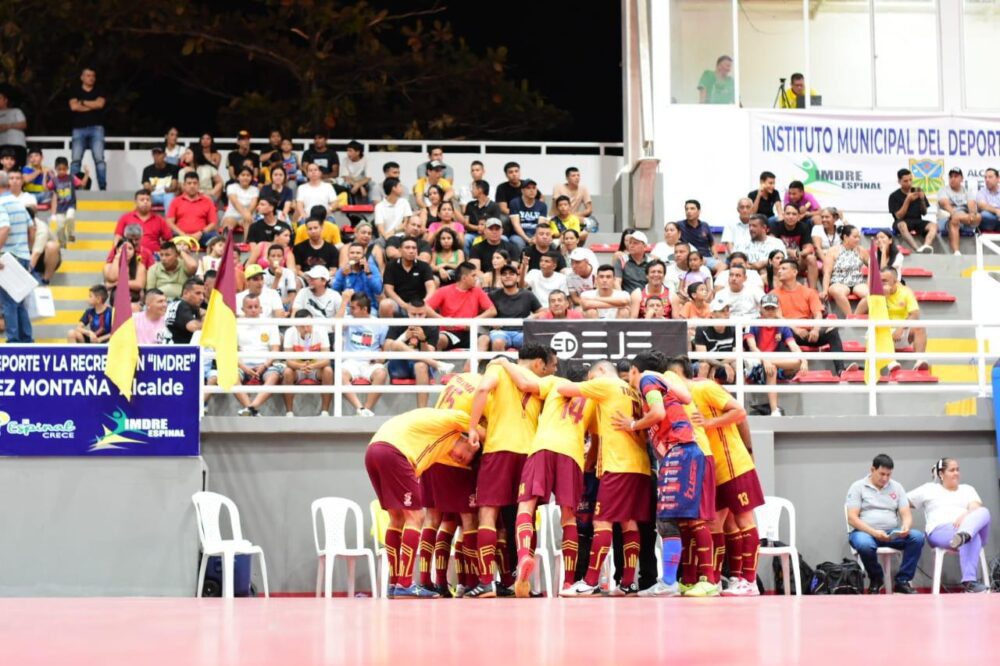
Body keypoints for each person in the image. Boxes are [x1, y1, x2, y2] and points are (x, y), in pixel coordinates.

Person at [465, 344, 557, 598]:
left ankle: (485, 582)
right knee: (523, 517)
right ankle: (520, 581)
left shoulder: (499, 366)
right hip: (530, 454)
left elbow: (483, 388)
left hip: (499, 449)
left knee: (488, 515)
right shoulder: (543, 383)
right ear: (539, 364)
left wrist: (473, 427)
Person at [364, 407, 479, 598]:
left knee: (397, 519)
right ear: (469, 441)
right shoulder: (452, 422)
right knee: (417, 517)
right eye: (466, 457)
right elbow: (482, 430)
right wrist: (479, 435)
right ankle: (405, 583)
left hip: (374, 450)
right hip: (394, 451)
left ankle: (395, 584)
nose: (460, 460)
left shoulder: (440, 448)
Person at [509, 365, 597, 596]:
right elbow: (597, 438)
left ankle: (523, 559)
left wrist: (503, 363)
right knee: (569, 518)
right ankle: (568, 583)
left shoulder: (554, 382)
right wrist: (589, 463)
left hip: (542, 447)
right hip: (572, 454)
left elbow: (525, 384)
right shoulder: (593, 397)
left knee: (526, 507)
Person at [909, 458, 991, 593]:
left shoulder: (967, 489)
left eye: (958, 469)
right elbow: (903, 502)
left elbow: (975, 507)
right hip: (940, 531)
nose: (956, 473)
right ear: (941, 474)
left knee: (983, 512)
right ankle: (970, 583)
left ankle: (964, 534)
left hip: (967, 526)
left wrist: (965, 516)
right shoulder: (929, 489)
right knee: (972, 537)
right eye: (952, 470)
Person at [845, 453, 924, 595]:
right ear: (872, 470)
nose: (885, 478)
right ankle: (876, 578)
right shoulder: (858, 487)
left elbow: (906, 514)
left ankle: (902, 581)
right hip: (865, 533)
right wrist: (874, 532)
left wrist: (906, 526)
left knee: (917, 537)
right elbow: (852, 518)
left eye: (889, 475)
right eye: (882, 474)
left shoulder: (897, 487)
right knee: (864, 544)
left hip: (891, 533)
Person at [773, 259, 851, 375]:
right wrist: (797, 329)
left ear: (794, 272)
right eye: (779, 269)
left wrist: (815, 329)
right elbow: (778, 316)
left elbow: (818, 314)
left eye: (784, 269)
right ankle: (788, 372)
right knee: (780, 332)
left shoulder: (809, 292)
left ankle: (841, 370)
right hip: (791, 333)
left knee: (832, 330)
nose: (779, 271)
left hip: (809, 334)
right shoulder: (773, 294)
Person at [743, 293, 806, 416]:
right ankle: (774, 410)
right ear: (760, 308)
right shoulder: (752, 323)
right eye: (767, 308)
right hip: (755, 362)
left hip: (771, 361)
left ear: (777, 309)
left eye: (773, 308)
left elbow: (793, 346)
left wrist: (804, 360)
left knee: (797, 362)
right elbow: (753, 347)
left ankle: (772, 363)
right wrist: (765, 360)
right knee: (772, 369)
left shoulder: (782, 326)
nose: (770, 311)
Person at [384, 302, 453, 408]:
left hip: (419, 366)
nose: (417, 318)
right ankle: (437, 364)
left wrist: (423, 340)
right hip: (399, 365)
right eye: (413, 314)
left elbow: (430, 354)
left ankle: (422, 410)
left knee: (421, 365)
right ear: (408, 312)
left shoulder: (431, 326)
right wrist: (405, 336)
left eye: (420, 314)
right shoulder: (399, 321)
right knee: (397, 343)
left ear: (426, 312)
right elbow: (387, 347)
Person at [424, 262, 496, 351]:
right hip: (449, 333)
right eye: (473, 276)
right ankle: (437, 364)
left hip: (470, 332)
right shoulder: (444, 291)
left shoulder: (478, 291)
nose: (476, 279)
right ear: (464, 278)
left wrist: (473, 322)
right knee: (439, 339)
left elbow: (492, 311)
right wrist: (442, 320)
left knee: (484, 339)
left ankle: (471, 364)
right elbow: (425, 308)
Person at [233, 293, 283, 417]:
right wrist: (244, 367)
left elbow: (275, 350)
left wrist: (264, 366)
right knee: (231, 377)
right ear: (243, 309)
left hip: (265, 364)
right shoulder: (235, 324)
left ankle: (250, 408)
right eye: (250, 307)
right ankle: (252, 410)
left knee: (274, 376)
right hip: (243, 365)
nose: (253, 310)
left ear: (261, 308)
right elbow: (231, 352)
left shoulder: (270, 323)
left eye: (256, 306)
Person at [340, 293, 389, 417]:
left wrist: (380, 359)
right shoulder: (348, 320)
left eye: (353, 308)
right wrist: (344, 301)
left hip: (370, 362)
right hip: (351, 361)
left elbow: (384, 348)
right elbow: (335, 326)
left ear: (365, 309)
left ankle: (367, 409)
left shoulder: (380, 324)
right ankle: (360, 408)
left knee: (382, 373)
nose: (351, 311)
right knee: (340, 374)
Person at [0, 171, 35, 342]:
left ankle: (13, 341)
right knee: (20, 302)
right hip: (22, 255)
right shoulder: (18, 202)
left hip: (8, 258)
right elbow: (32, 228)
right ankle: (27, 340)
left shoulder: (1, 203)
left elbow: (4, 227)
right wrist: (26, 250)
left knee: (8, 302)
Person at [281, 309, 334, 417]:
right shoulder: (289, 332)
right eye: (302, 326)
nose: (306, 329)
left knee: (328, 370)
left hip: (316, 368)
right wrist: (301, 366)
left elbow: (326, 359)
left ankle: (325, 412)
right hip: (297, 369)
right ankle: (289, 413)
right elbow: (289, 361)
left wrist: (312, 366)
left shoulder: (321, 330)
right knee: (287, 372)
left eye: (308, 325)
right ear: (296, 326)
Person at [483, 264, 542, 351]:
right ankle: (499, 364)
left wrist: (532, 317)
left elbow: (543, 311)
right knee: (498, 342)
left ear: (518, 278)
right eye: (504, 274)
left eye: (511, 274)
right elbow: (483, 314)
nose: (507, 276)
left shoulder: (527, 294)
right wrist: (491, 323)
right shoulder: (492, 295)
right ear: (500, 278)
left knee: (531, 342)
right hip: (500, 332)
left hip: (521, 332)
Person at [68, 68, 107, 189]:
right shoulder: (75, 90)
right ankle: (73, 188)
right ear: (82, 77)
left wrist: (83, 102)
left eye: (93, 76)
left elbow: (100, 104)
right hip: (78, 129)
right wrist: (92, 105)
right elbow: (74, 107)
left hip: (97, 128)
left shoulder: (100, 89)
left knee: (99, 160)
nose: (91, 78)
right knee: (75, 160)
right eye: (88, 75)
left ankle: (102, 188)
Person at [379, 238, 436, 318]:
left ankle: (446, 324)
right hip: (399, 303)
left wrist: (423, 303)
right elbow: (388, 290)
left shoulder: (424, 266)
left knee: (430, 305)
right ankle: (386, 330)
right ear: (400, 250)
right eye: (407, 248)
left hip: (420, 304)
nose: (411, 251)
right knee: (385, 304)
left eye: (414, 248)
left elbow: (431, 287)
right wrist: (404, 305)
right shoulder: (391, 266)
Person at [821, 225, 869, 318]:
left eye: (859, 237)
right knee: (837, 291)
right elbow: (827, 273)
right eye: (855, 237)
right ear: (845, 237)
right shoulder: (833, 251)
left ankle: (854, 317)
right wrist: (825, 290)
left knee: (871, 295)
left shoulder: (861, 250)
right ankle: (849, 315)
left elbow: (873, 267)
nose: (858, 239)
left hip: (858, 282)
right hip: (838, 282)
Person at [889, 168, 936, 253]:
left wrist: (922, 199)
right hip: (902, 221)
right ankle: (917, 249)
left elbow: (924, 213)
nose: (909, 183)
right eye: (905, 181)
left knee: (934, 226)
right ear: (899, 182)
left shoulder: (918, 191)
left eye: (910, 180)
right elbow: (898, 216)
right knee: (902, 225)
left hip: (917, 220)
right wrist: (907, 200)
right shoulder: (893, 196)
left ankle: (926, 246)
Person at [771, 204, 818, 288]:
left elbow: (809, 248)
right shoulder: (776, 226)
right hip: (781, 261)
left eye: (794, 214)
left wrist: (798, 254)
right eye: (788, 213)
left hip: (797, 260)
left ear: (798, 216)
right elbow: (770, 246)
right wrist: (788, 252)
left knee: (811, 258)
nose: (791, 216)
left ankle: (812, 291)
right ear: (783, 214)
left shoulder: (803, 227)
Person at [114, 189, 172, 257]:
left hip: (154, 257)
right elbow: (117, 238)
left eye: (148, 200)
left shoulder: (159, 219)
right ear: (135, 202)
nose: (145, 202)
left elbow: (169, 240)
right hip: (131, 256)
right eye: (142, 200)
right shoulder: (125, 218)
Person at [167, 172, 218, 246]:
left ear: (199, 185)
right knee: (169, 237)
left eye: (195, 183)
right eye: (189, 183)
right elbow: (169, 222)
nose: (192, 186)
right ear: (184, 185)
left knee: (216, 238)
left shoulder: (207, 201)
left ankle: (210, 257)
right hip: (181, 236)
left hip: (202, 236)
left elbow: (213, 223)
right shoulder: (176, 201)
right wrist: (183, 234)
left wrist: (200, 233)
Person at [694, 299, 737, 383]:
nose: (726, 313)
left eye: (727, 310)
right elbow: (702, 357)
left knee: (737, 365)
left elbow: (736, 353)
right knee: (704, 366)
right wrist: (721, 365)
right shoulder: (702, 329)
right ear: (712, 314)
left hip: (727, 362)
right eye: (722, 311)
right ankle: (698, 395)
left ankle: (739, 395)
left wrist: (719, 366)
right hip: (709, 362)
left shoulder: (734, 328)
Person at [936, 168, 977, 256]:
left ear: (962, 179)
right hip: (947, 219)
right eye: (951, 177)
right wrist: (956, 215)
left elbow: (972, 205)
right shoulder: (943, 190)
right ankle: (956, 252)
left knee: (979, 217)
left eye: (955, 176)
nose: (952, 179)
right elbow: (945, 205)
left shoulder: (967, 191)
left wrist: (972, 215)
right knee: (955, 220)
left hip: (965, 219)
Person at [47, 157, 85, 247]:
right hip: (59, 208)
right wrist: (46, 174)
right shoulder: (54, 180)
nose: (62, 171)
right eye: (59, 169)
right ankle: (63, 243)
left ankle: (71, 234)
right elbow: (46, 188)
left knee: (70, 217)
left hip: (70, 205)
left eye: (64, 169)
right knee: (59, 227)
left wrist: (86, 174)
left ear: (67, 168)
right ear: (56, 169)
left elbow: (82, 184)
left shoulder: (71, 178)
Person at [332, 242, 382, 307]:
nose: (355, 255)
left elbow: (378, 290)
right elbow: (334, 290)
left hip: (368, 307)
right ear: (348, 255)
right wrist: (342, 276)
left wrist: (368, 274)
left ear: (363, 255)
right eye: (352, 253)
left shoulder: (371, 268)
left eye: (358, 253)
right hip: (348, 307)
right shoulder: (343, 270)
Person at [678, 200, 720, 272]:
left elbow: (712, 243)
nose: (689, 211)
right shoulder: (679, 225)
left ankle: (713, 281)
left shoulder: (705, 225)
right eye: (686, 209)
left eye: (692, 208)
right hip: (690, 258)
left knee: (723, 266)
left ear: (699, 211)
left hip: (706, 257)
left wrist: (716, 255)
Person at [104, 238, 146, 306]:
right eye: (124, 248)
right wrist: (117, 258)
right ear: (117, 250)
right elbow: (112, 279)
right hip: (114, 299)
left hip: (134, 301)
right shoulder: (108, 266)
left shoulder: (140, 266)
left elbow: (139, 285)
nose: (127, 251)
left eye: (130, 248)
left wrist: (117, 283)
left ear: (134, 251)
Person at [462, 179, 502, 251]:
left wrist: (485, 230)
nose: (471, 191)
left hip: (490, 233)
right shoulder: (470, 205)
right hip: (472, 234)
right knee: (465, 239)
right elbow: (466, 224)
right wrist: (478, 228)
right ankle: (468, 261)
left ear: (480, 190)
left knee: (503, 238)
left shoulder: (494, 206)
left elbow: (496, 224)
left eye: (473, 188)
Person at [508, 179, 547, 251]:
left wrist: (535, 238)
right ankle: (522, 261)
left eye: (534, 188)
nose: (532, 190)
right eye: (528, 188)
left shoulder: (542, 205)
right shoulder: (515, 203)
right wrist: (527, 239)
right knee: (518, 242)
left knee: (548, 242)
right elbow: (516, 225)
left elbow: (541, 225)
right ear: (522, 190)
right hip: (519, 235)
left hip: (536, 234)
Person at [222, 167, 259, 240]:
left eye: (248, 175)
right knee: (228, 222)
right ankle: (226, 245)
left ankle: (246, 245)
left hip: (248, 216)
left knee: (248, 222)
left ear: (252, 177)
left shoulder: (255, 189)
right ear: (238, 177)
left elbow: (253, 204)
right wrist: (245, 214)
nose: (245, 177)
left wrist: (246, 215)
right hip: (232, 215)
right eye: (243, 175)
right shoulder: (231, 187)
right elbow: (235, 202)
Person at [142, 147, 180, 212]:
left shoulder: (173, 168)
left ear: (165, 155)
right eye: (154, 154)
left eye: (159, 153)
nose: (156, 156)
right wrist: (149, 188)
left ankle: (168, 221)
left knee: (169, 196)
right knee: (143, 198)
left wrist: (170, 189)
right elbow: (146, 186)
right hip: (153, 195)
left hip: (167, 194)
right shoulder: (147, 170)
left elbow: (174, 186)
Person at [0, 89, 27, 168]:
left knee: (18, 169)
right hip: (1, 146)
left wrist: (8, 126)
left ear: (6, 100)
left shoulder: (16, 111)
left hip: (17, 145)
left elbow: (23, 125)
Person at [974, 167, 1000, 234]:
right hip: (989, 221)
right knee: (984, 215)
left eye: (990, 177)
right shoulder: (981, 192)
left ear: (998, 179)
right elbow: (981, 205)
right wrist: (996, 211)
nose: (987, 180)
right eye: (985, 177)